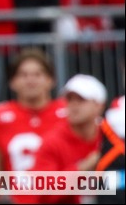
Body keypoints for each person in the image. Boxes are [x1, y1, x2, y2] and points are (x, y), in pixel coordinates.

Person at [0, 49, 66, 203]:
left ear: (51, 80)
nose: (31, 80)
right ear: (12, 82)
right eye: (23, 75)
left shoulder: (68, 114)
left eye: (38, 74)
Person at [32, 74, 108, 204]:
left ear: (99, 106)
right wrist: (84, 167)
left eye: (81, 100)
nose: (73, 105)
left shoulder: (112, 136)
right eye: (69, 100)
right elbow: (43, 192)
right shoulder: (52, 141)